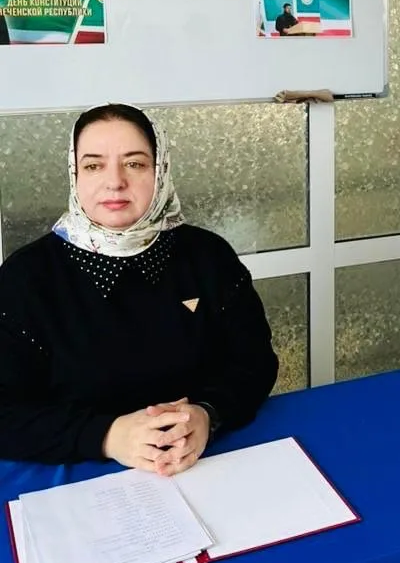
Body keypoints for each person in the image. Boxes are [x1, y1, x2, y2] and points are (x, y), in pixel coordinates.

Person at [0, 104, 278, 471]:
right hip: (80, 472)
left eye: (134, 163)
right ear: (74, 174)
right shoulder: (26, 278)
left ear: (160, 170)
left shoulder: (208, 257)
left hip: (201, 462)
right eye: (94, 166)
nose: (115, 182)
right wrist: (107, 435)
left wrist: (208, 414)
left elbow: (255, 361)